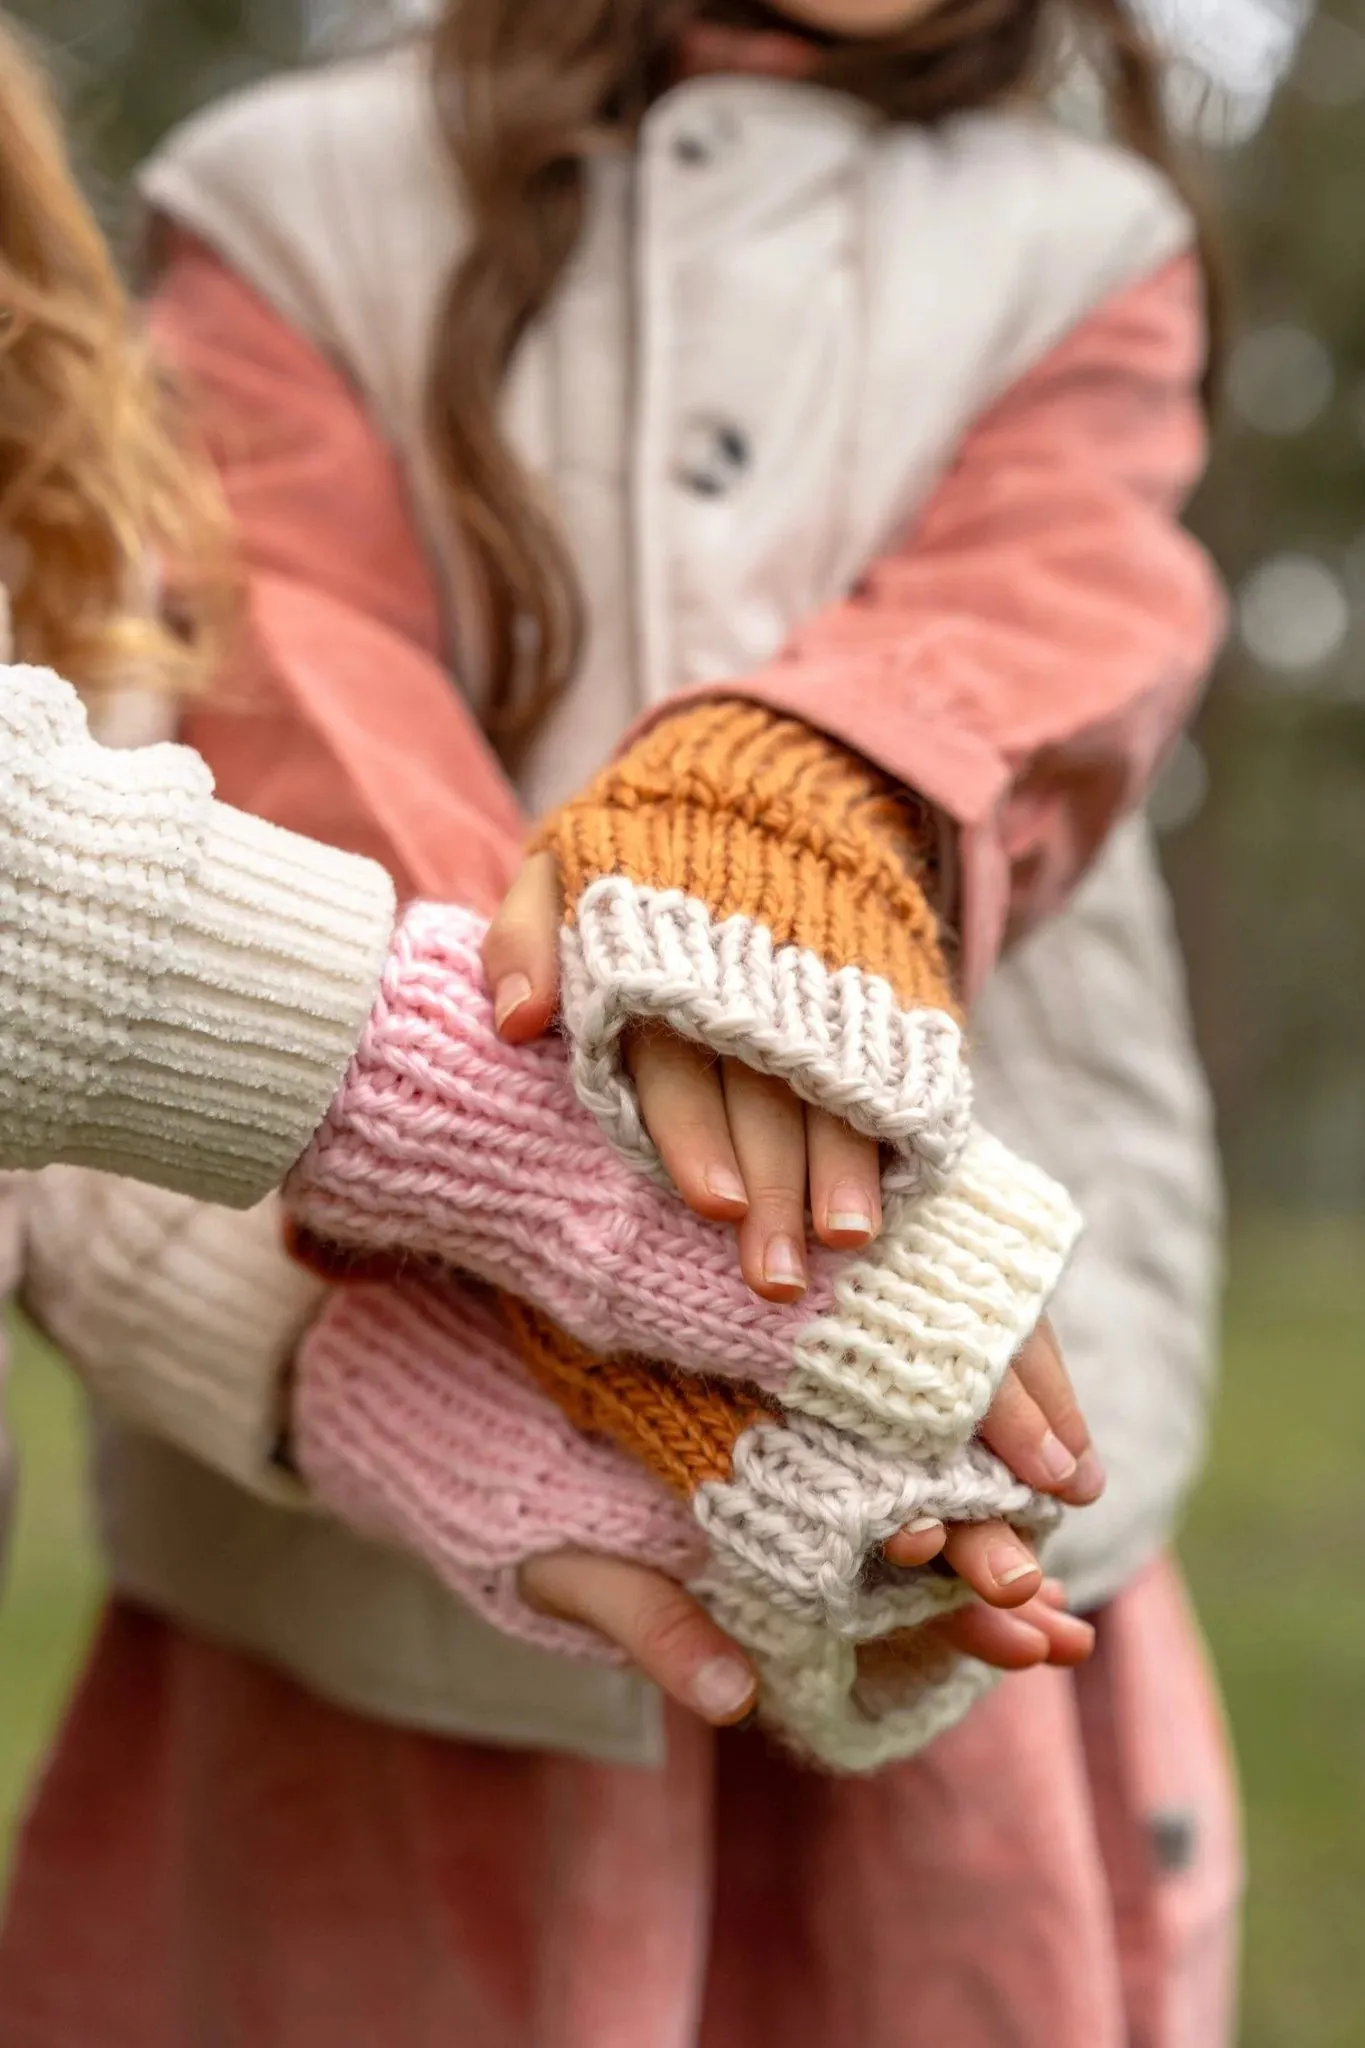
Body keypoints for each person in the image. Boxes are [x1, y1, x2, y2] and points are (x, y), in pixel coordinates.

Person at [0, 3, 1239, 2042]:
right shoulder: (291, 199)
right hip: (353, 1579)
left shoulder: (1081, 239)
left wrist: (800, 790)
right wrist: (556, 1182)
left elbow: (1055, 607)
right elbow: (290, 672)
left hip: (948, 1441)